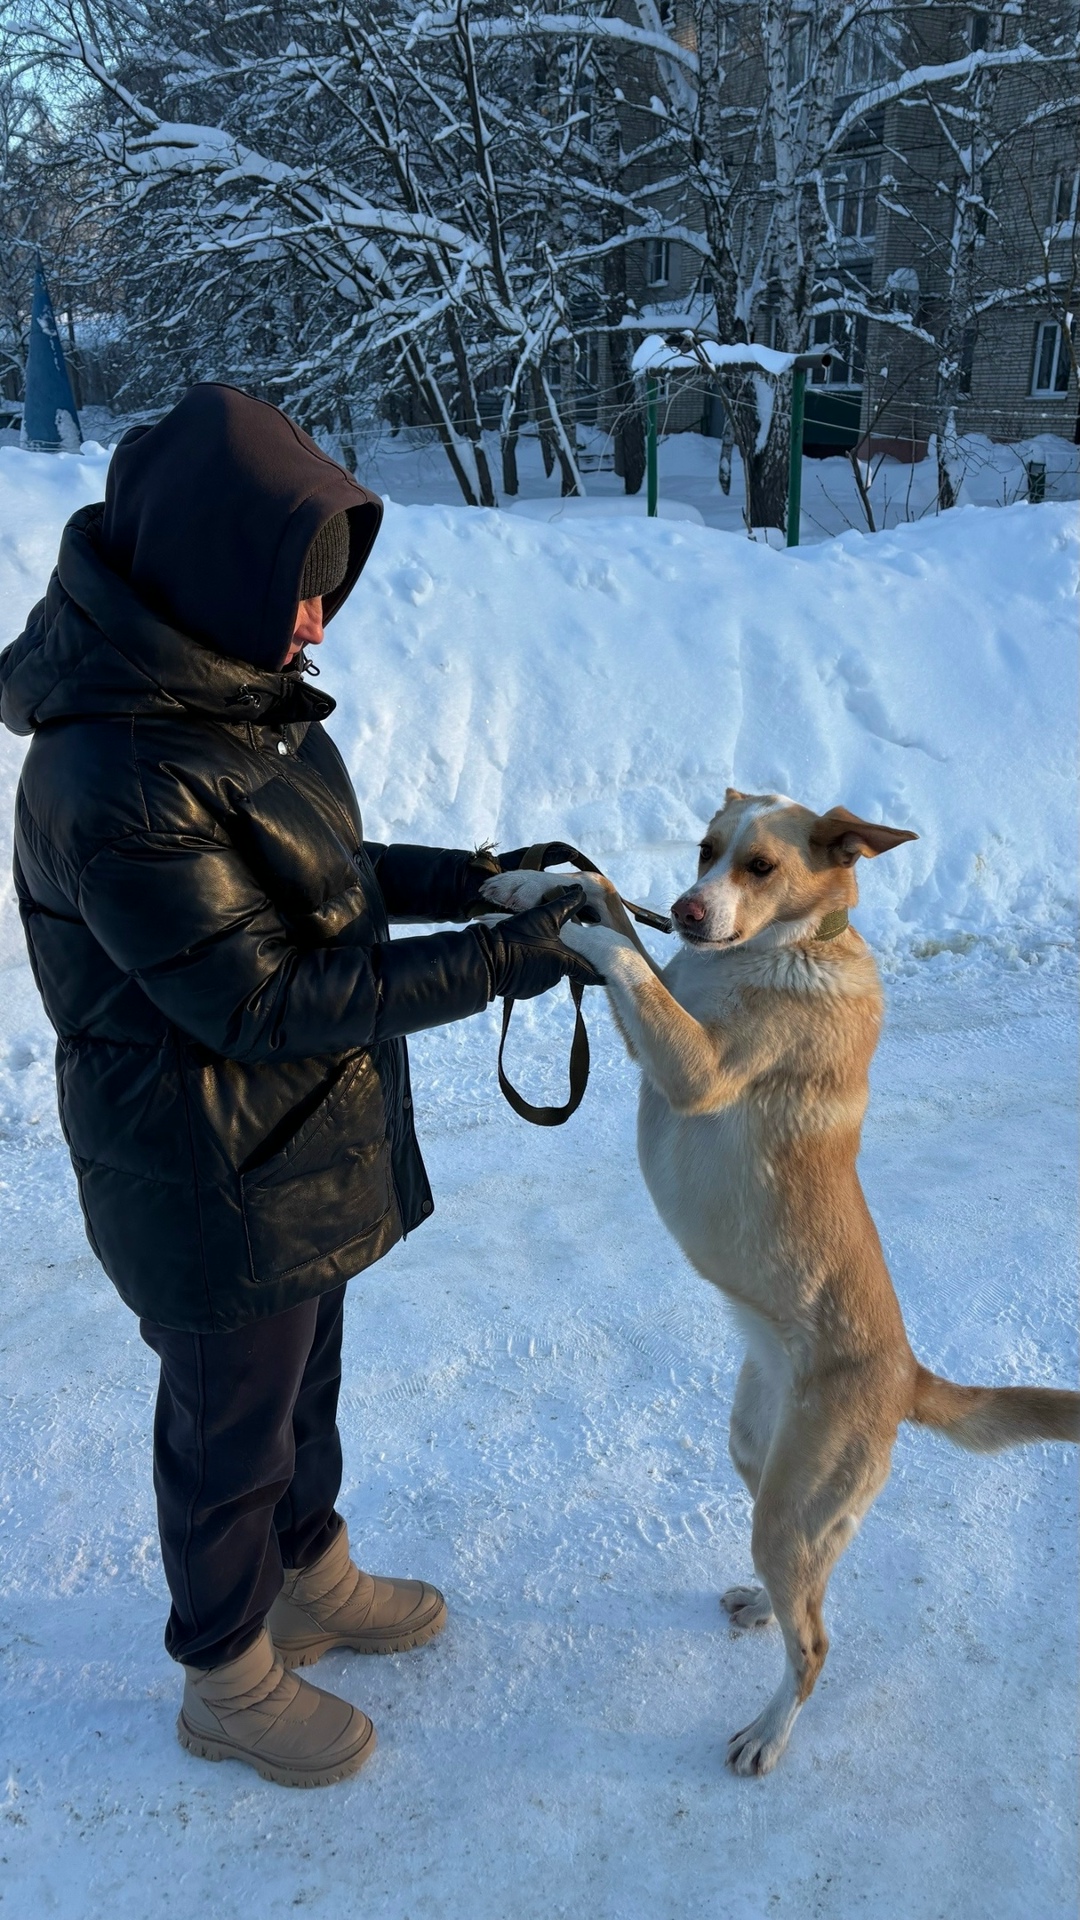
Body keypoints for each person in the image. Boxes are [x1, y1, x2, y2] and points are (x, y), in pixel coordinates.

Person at [0, 383, 597, 1789]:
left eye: (327, 592)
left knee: (301, 1380)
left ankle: (306, 1573)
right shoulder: (113, 771)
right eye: (296, 592)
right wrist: (503, 962)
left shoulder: (222, 695)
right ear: (212, 572)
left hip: (282, 1153)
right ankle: (223, 1669)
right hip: (202, 1167)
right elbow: (261, 994)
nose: (318, 625)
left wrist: (481, 879)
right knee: (227, 1422)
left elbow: (321, 875)